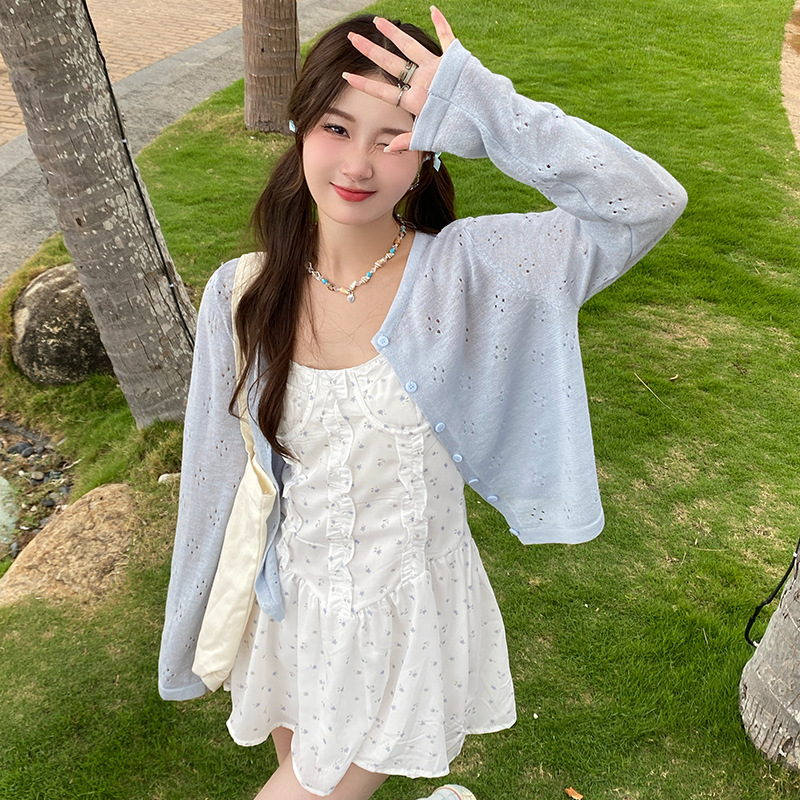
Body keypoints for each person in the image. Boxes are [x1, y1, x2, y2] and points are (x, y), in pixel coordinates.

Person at [158, 7, 687, 800]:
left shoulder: (474, 274)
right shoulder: (241, 293)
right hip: (292, 612)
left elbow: (647, 201)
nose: (358, 164)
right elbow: (212, 479)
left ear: (431, 147)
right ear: (301, 129)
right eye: (337, 128)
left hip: (408, 620)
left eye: (394, 136)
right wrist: (189, 633)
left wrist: (486, 108)